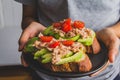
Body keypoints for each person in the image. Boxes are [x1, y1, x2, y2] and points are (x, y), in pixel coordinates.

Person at [15, 0, 120, 80]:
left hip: (107, 75)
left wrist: (114, 31)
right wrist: (30, 24)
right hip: (44, 75)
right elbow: (28, 16)